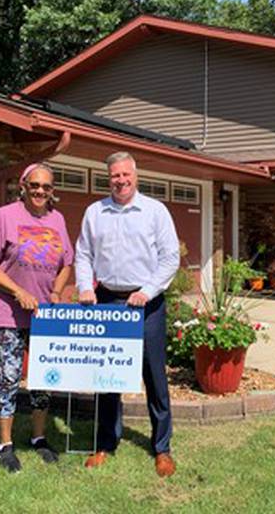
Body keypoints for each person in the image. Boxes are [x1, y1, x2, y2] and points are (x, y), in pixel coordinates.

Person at [75, 151, 180, 477]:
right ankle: (106, 443)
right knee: (107, 378)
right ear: (110, 178)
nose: (121, 181)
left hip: (146, 304)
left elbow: (170, 258)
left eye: (126, 175)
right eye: (115, 176)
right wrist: (84, 286)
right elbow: (82, 254)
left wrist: (147, 290)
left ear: (136, 176)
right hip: (106, 301)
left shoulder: (155, 211)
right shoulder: (95, 212)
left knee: (154, 378)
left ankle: (162, 448)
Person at [0, 162, 73, 474]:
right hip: (10, 313)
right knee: (8, 377)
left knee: (44, 379)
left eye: (46, 186)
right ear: (24, 186)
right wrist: (18, 291)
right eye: (35, 185)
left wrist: (56, 292)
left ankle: (39, 438)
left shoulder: (57, 220)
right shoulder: (6, 216)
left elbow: (67, 263)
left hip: (45, 315)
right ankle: (5, 445)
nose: (40, 191)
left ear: (52, 190)